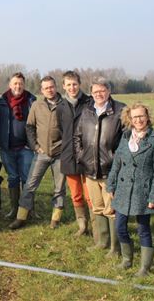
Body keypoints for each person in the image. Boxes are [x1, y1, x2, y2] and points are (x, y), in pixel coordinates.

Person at [107, 102, 154, 277]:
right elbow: (116, 163)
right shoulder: (125, 137)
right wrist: (111, 184)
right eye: (135, 117)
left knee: (143, 229)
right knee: (119, 227)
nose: (138, 120)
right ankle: (127, 259)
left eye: (141, 116)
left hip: (143, 191)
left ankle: (144, 268)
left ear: (147, 116)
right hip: (123, 190)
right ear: (129, 119)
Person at [73, 77, 125, 257]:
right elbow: (77, 137)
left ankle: (115, 248)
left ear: (109, 91)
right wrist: (82, 156)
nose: (98, 94)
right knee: (97, 207)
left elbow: (125, 141)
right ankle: (102, 242)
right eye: (95, 92)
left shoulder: (120, 110)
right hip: (90, 170)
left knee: (112, 210)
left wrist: (116, 162)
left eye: (102, 91)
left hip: (111, 171)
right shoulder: (87, 111)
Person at [9, 76, 67, 230]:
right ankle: (21, 217)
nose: (49, 89)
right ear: (42, 90)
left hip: (60, 154)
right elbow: (29, 127)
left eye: (52, 86)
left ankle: (55, 219)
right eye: (46, 87)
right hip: (41, 153)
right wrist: (35, 146)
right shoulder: (36, 105)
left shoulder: (65, 105)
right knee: (29, 185)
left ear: (56, 87)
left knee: (59, 188)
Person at [56, 70, 93, 237]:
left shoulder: (89, 103)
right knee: (76, 194)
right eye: (68, 84)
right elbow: (62, 130)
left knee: (90, 194)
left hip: (88, 156)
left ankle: (97, 228)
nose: (72, 87)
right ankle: (83, 226)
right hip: (69, 156)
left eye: (75, 84)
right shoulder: (61, 107)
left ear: (80, 84)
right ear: (63, 86)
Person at [0, 72, 36, 220]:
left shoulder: (32, 101)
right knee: (12, 178)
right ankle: (14, 209)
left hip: (26, 148)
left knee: (27, 179)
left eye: (20, 84)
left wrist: (33, 144)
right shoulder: (1, 102)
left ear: (24, 85)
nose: (17, 86)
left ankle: (28, 210)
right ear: (10, 85)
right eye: (15, 84)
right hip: (6, 148)